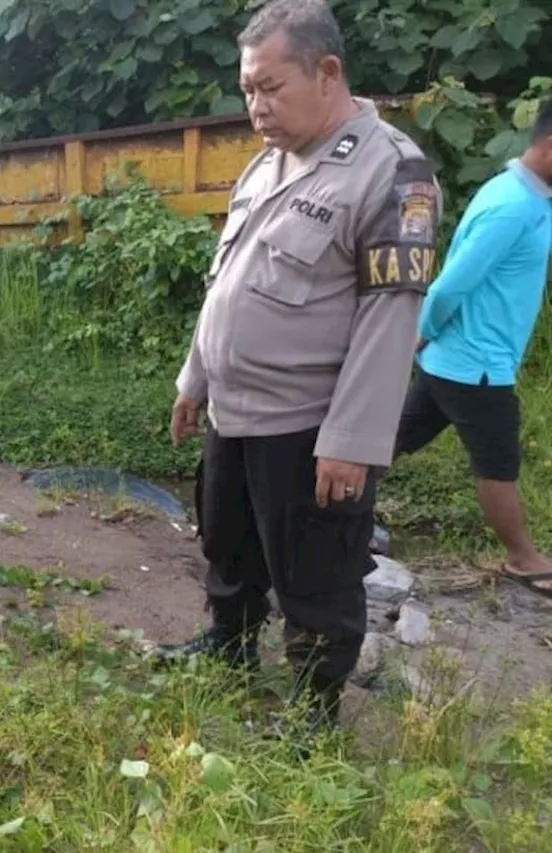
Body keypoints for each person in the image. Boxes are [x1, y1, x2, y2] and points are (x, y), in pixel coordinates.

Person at [155, 0, 442, 738]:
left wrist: (352, 439)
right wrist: (196, 377)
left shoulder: (391, 173)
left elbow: (390, 317)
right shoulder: (268, 163)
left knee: (315, 572)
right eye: (249, 89)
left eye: (271, 87)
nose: (256, 105)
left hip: (309, 423)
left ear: (328, 72)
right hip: (237, 410)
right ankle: (230, 645)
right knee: (230, 541)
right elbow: (229, 281)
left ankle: (314, 715)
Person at [393, 99, 552, 598]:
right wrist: (421, 332)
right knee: (498, 463)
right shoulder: (512, 207)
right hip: (475, 366)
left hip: (454, 362)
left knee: (389, 436)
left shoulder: (525, 195)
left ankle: (316, 494)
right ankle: (524, 559)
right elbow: (448, 287)